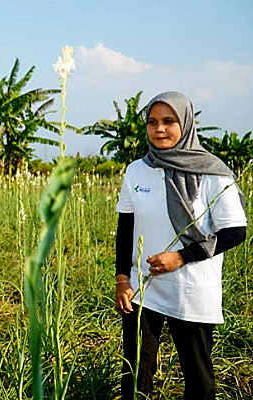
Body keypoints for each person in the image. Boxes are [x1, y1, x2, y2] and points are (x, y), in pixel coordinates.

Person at [114, 91, 247, 399]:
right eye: (152, 122)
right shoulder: (137, 170)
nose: (159, 129)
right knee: (135, 372)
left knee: (198, 376)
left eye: (168, 121)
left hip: (191, 286)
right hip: (143, 287)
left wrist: (181, 257)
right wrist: (123, 279)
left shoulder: (211, 171)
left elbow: (235, 231)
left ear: (185, 123)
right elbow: (126, 229)